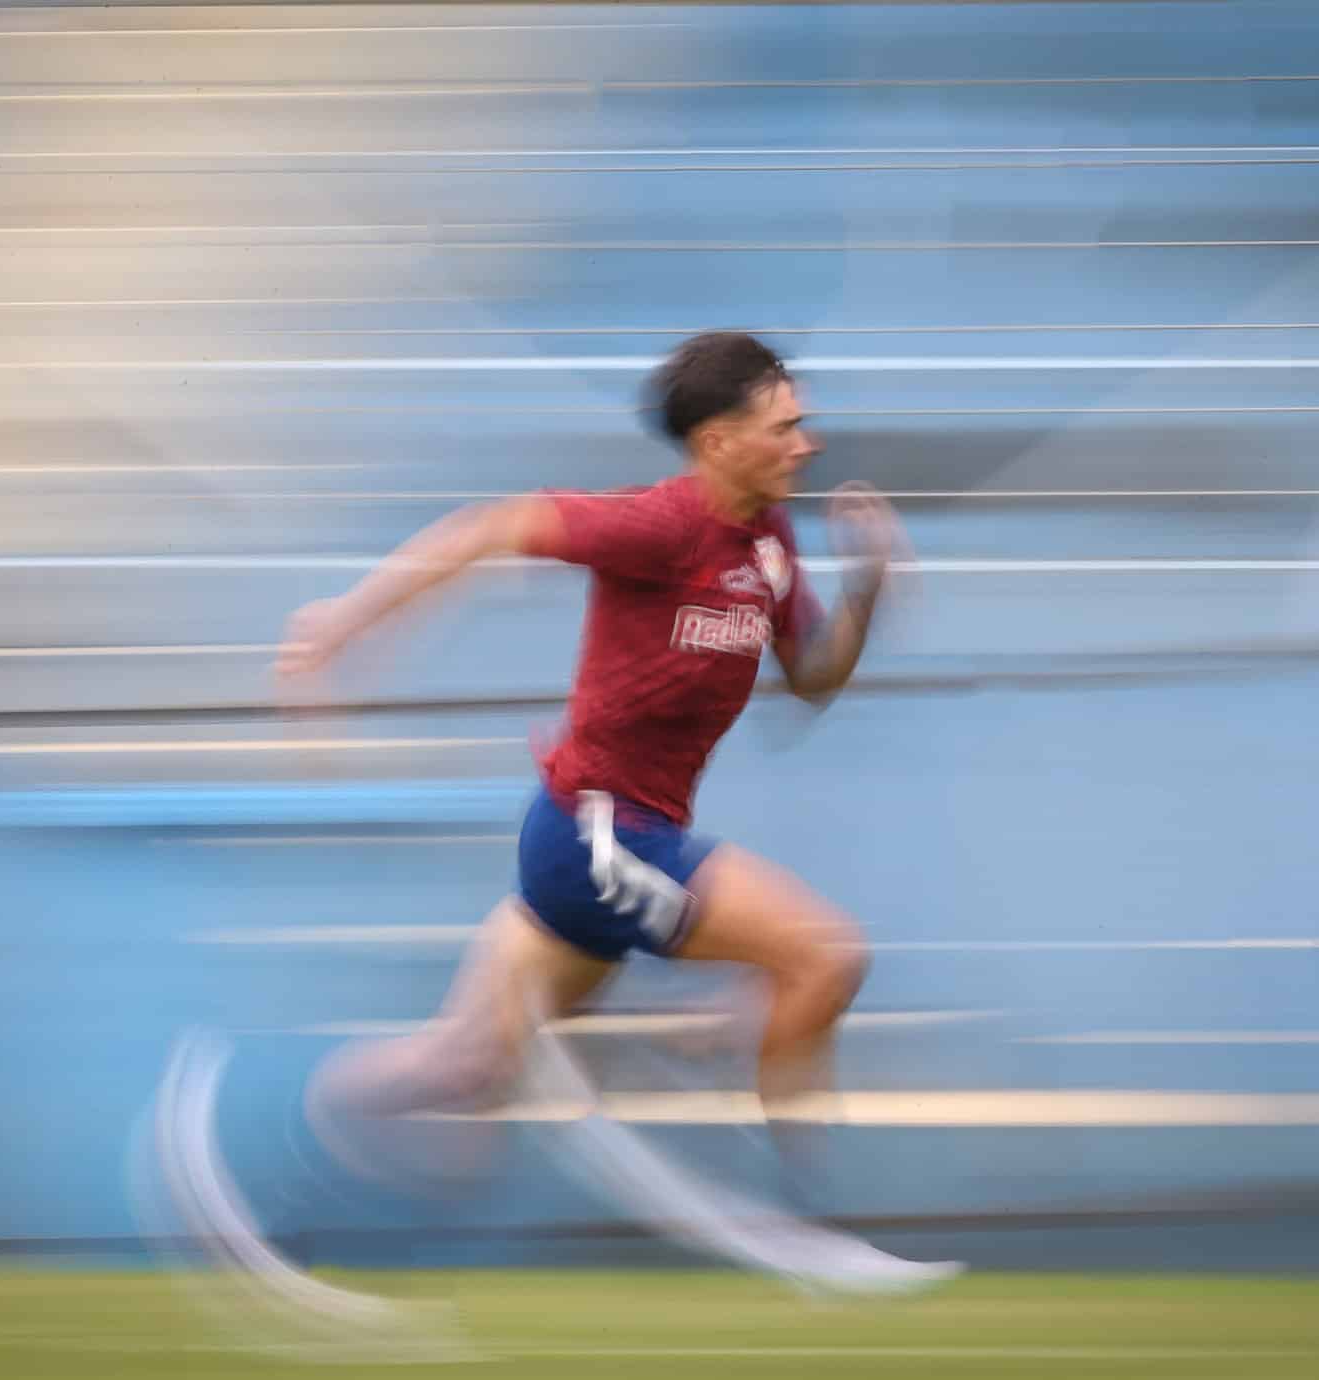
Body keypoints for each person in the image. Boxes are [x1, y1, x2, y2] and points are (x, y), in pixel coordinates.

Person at [275, 331, 952, 1290]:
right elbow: (489, 526)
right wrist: (338, 625)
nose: (811, 443)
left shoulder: (770, 540)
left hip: (617, 838)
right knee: (823, 955)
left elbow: (808, 680)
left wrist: (868, 593)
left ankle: (294, 1140)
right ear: (718, 442)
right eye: (787, 427)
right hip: (595, 835)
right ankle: (806, 1224)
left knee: (464, 1068)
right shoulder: (658, 527)